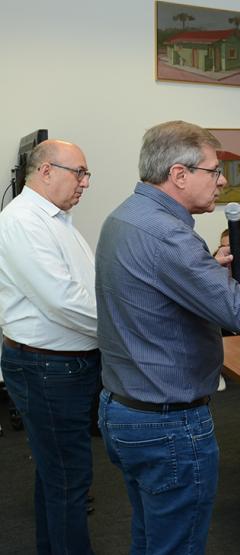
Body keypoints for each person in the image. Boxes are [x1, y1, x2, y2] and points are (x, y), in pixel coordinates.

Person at [95, 121, 240, 553]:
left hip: (124, 408)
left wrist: (208, 271)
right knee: (176, 545)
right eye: (214, 170)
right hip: (167, 422)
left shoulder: (126, 216)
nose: (222, 180)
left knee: (151, 536)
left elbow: (156, 294)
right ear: (179, 174)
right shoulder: (168, 234)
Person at [0, 140, 99, 554]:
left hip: (63, 364)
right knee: (67, 481)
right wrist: (128, 325)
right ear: (44, 171)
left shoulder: (58, 219)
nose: (86, 183)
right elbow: (63, 301)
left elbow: (85, 289)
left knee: (56, 474)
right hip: (47, 368)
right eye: (79, 172)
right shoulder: (22, 219)